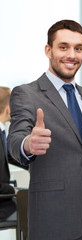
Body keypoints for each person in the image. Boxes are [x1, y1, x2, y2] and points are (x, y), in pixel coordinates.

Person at [7, 20, 82, 240]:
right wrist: (29, 144)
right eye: (63, 47)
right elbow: (15, 140)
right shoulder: (26, 94)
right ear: (48, 50)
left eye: (78, 48)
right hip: (53, 221)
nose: (72, 55)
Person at [0, 87, 28, 221]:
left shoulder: (2, 133)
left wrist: (32, 165)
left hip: (4, 196)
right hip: (3, 204)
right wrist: (14, 191)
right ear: (8, 109)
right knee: (34, 209)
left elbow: (9, 154)